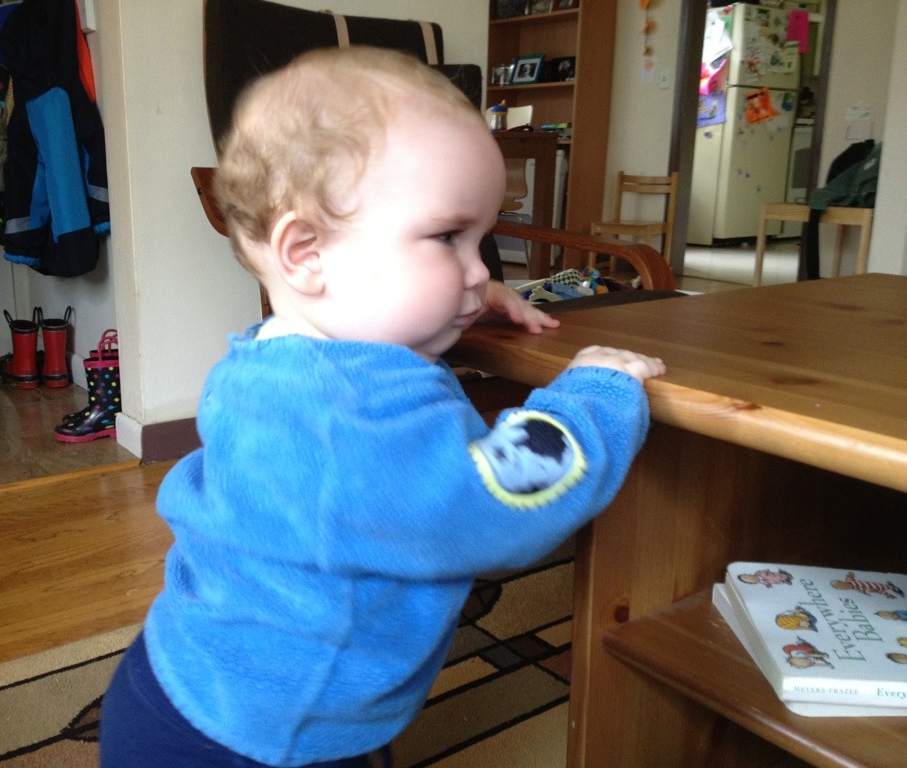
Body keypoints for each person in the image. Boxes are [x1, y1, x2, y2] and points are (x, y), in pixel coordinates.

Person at [99, 45, 665, 768]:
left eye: (482, 241)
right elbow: (501, 502)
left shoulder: (275, 361)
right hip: (259, 741)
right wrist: (595, 394)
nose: (479, 269)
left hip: (186, 680)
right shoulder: (354, 421)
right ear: (306, 253)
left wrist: (464, 291)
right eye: (447, 238)